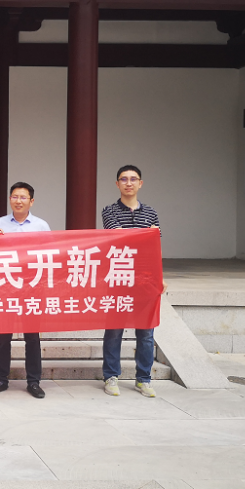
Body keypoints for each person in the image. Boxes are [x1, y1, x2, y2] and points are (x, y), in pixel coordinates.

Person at [101, 164, 163, 399]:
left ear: (140, 183)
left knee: (146, 334)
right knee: (114, 331)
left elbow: (154, 247)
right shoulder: (109, 211)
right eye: (124, 179)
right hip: (118, 278)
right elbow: (119, 238)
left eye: (133, 179)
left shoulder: (151, 212)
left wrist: (159, 277)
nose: (129, 183)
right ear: (117, 184)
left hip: (145, 280)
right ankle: (111, 376)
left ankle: (143, 379)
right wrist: (146, 234)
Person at [0, 182, 51, 399]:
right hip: (6, 287)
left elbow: (50, 254)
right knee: (3, 337)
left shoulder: (41, 226)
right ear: (10, 199)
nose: (18, 201)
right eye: (15, 196)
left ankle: (34, 381)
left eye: (23, 197)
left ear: (31, 201)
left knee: (32, 337)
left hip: (32, 287)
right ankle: (1, 379)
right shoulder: (0, 223)